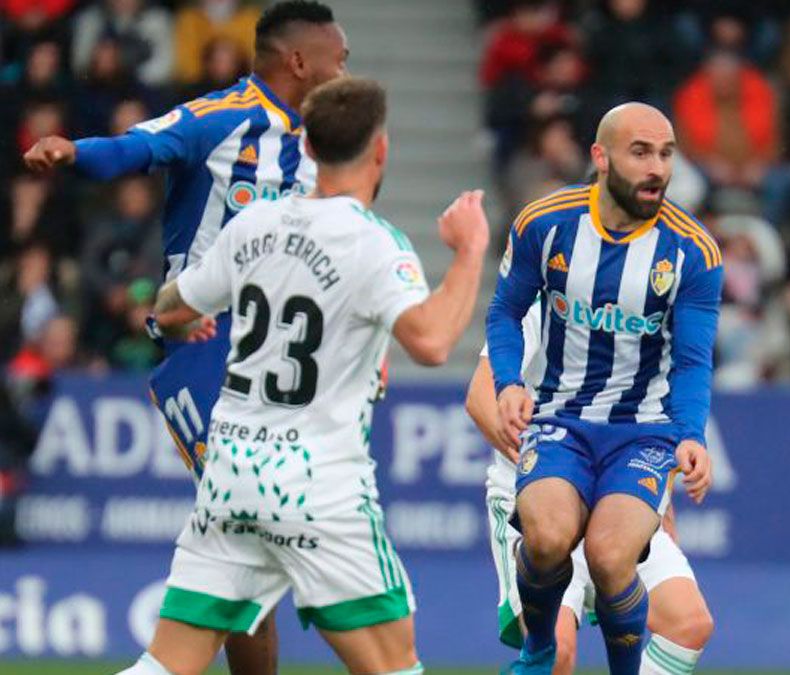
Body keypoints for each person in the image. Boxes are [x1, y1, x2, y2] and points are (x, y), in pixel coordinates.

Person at [123, 76, 490, 675]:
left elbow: (171, 305)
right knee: (396, 667)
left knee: (164, 665)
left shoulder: (252, 225)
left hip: (231, 473)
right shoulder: (376, 244)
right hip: (317, 488)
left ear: (310, 150)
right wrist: (471, 250)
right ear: (381, 149)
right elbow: (431, 340)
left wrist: (177, 321)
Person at [23, 2, 347, 673]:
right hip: (204, 342)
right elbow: (139, 145)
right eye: (336, 57)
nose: (344, 68)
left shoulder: (323, 145)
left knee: (246, 538)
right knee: (247, 515)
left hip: (282, 360)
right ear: (297, 60)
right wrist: (74, 151)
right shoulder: (219, 117)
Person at [486, 102, 721, 674]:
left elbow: (692, 362)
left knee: (613, 559)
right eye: (641, 152)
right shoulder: (545, 223)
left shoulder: (693, 251)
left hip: (642, 433)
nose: (656, 168)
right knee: (544, 539)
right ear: (600, 156)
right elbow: (504, 311)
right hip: (561, 421)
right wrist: (509, 384)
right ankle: (538, 645)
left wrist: (691, 435)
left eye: (666, 154)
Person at [467, 307, 713, 675]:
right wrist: (547, 469)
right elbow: (479, 397)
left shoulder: (643, 299)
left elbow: (647, 417)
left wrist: (662, 504)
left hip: (616, 498)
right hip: (543, 505)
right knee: (558, 652)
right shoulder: (546, 295)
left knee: (689, 624)